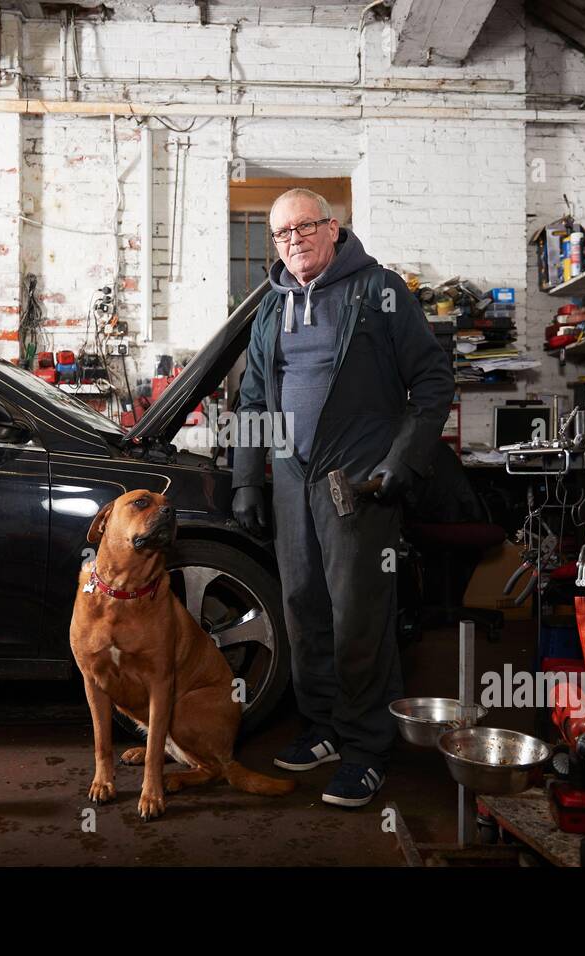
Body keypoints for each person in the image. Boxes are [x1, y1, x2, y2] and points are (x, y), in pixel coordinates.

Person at [230, 188, 452, 807]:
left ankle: (365, 748)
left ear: (333, 229)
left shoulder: (378, 291)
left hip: (355, 481)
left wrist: (398, 463)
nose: (292, 240)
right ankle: (324, 726)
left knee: (359, 613)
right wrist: (248, 479)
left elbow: (433, 382)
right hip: (291, 479)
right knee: (302, 609)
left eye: (304, 227)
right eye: (280, 233)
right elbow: (250, 401)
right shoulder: (271, 309)